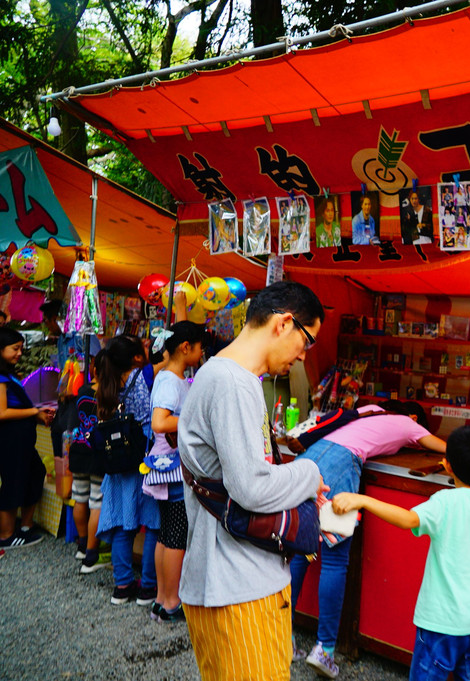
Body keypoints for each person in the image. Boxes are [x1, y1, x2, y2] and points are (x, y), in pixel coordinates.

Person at [178, 281, 326, 681]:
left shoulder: (229, 376)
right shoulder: (232, 383)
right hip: (237, 586)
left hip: (234, 582)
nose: (302, 356)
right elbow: (251, 487)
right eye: (306, 341)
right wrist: (310, 474)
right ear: (284, 324)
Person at [332, 425, 470, 681]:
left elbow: (409, 520)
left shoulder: (445, 502)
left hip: (440, 622)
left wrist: (364, 500)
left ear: (446, 466)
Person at [285, 400, 447, 678]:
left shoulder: (370, 408)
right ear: (413, 417)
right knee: (335, 561)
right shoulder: (409, 423)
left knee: (301, 551)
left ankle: (282, 639)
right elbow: (448, 449)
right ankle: (324, 649)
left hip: (308, 461)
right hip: (339, 466)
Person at [144, 321, 209, 622]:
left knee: (166, 535)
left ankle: (162, 598)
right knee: (176, 537)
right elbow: (160, 422)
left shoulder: (169, 376)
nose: (202, 352)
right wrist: (193, 421)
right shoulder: (171, 380)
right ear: (186, 348)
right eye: (199, 347)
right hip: (171, 469)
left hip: (163, 467)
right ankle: (171, 601)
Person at [92, 335, 160, 605]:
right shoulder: (143, 375)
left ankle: (122, 585)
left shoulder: (104, 382)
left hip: (118, 463)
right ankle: (149, 586)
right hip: (144, 456)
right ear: (134, 357)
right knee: (153, 523)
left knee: (123, 524)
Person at [0, 327, 55, 548]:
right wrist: (34, 412)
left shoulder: (10, 374)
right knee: (13, 483)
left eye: (21, 349)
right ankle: (6, 536)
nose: (19, 354)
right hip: (9, 438)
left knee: (35, 472)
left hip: (21, 439)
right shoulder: (2, 378)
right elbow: (2, 413)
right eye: (15, 349)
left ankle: (25, 525)